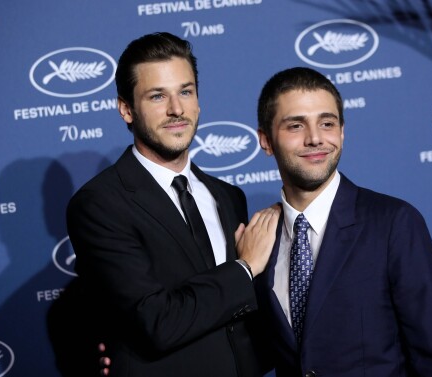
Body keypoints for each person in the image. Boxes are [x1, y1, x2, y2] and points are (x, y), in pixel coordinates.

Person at [66, 32, 279, 377]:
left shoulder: (228, 196)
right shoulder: (99, 205)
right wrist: (244, 268)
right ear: (126, 109)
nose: (176, 109)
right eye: (157, 96)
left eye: (185, 91)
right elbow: (156, 322)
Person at [253, 67, 432, 377]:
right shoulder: (259, 242)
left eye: (327, 123)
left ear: (342, 132)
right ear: (266, 141)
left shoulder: (394, 224)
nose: (315, 138)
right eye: (296, 125)